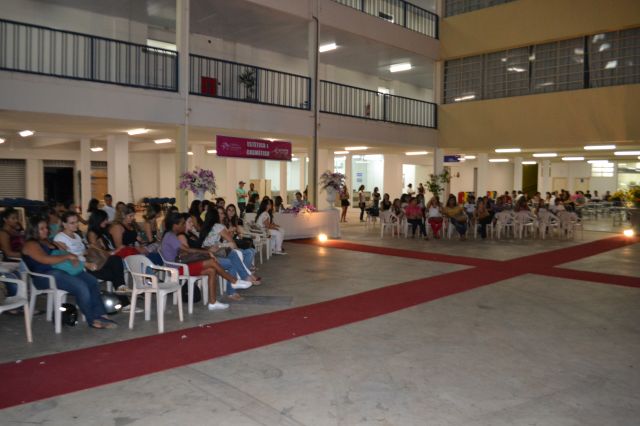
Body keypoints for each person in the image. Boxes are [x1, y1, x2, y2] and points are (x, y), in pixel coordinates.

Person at [22, 215, 116, 329]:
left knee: (92, 281)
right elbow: (45, 260)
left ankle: (100, 314)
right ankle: (92, 319)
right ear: (33, 230)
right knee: (81, 287)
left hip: (61, 271)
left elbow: (63, 253)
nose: (46, 230)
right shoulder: (31, 244)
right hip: (44, 277)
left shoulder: (47, 241)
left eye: (46, 227)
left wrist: (72, 257)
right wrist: (67, 257)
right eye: (41, 228)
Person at [162, 213, 251, 310]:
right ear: (175, 225)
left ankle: (213, 303)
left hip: (181, 266)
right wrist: (207, 252)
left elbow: (182, 251)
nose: (184, 225)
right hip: (177, 269)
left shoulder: (171, 235)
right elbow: (187, 249)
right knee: (211, 262)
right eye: (182, 224)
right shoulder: (170, 236)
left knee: (211, 270)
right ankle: (234, 281)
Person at [57, 211, 127, 292]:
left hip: (89, 262)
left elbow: (83, 252)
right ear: (64, 224)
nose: (76, 224)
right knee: (116, 273)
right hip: (80, 267)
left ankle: (121, 290)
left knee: (116, 260)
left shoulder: (76, 236)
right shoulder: (60, 238)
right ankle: (122, 292)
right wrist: (86, 259)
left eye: (77, 222)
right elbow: (65, 257)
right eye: (72, 223)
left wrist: (91, 248)